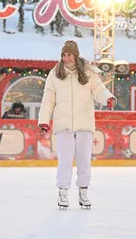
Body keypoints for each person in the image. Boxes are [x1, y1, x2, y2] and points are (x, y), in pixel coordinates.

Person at [38, 40, 116, 209]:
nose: (66, 58)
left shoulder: (88, 72)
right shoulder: (55, 74)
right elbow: (48, 99)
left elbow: (99, 90)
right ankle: (63, 192)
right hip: (63, 123)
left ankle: (83, 191)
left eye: (69, 55)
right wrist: (44, 120)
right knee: (65, 160)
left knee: (84, 160)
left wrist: (108, 98)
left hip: (84, 122)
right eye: (64, 55)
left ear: (75, 55)